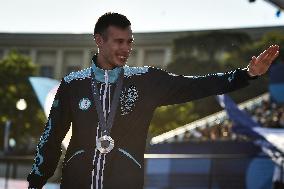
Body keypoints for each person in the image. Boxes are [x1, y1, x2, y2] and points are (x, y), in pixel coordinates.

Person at [27, 12, 280, 189]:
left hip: (125, 183)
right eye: (118, 41)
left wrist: (245, 74)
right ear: (99, 40)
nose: (126, 49)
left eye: (129, 42)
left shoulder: (145, 80)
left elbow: (196, 85)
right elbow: (51, 137)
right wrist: (36, 183)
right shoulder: (73, 84)